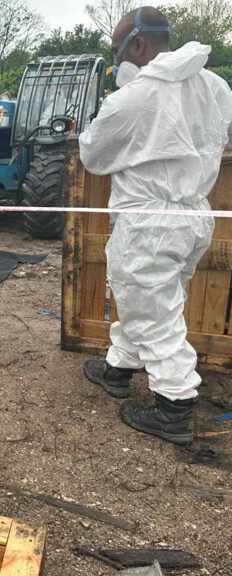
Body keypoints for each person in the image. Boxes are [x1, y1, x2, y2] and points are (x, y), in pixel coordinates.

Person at [79, 7, 232, 444]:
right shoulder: (214, 86)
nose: (115, 60)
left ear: (138, 45)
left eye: (116, 50)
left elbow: (92, 155)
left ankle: (175, 405)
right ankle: (118, 368)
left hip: (150, 221)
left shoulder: (134, 97)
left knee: (154, 309)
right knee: (153, 301)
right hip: (193, 216)